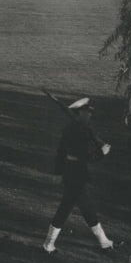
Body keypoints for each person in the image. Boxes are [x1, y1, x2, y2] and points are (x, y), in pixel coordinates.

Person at [43, 97, 115, 253]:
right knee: (78, 208)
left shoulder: (76, 128)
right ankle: (102, 242)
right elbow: (84, 156)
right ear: (78, 113)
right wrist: (101, 153)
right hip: (76, 174)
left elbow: (61, 152)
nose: (90, 115)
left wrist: (58, 172)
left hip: (72, 173)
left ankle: (49, 244)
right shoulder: (78, 130)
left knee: (75, 207)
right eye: (86, 112)